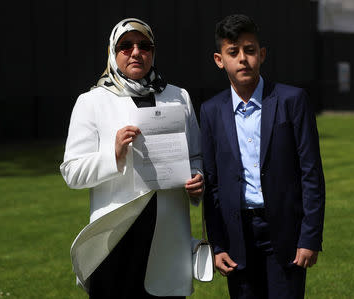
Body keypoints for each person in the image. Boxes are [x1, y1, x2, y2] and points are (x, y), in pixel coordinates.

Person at [60, 18, 203, 298]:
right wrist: (113, 155)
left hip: (168, 234)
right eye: (126, 46)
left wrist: (199, 178)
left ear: (153, 51)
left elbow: (196, 156)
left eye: (144, 45)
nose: (136, 52)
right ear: (113, 52)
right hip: (115, 236)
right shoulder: (92, 102)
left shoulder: (178, 97)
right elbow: (72, 172)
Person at [200, 14, 325, 299]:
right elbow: (213, 183)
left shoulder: (292, 100)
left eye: (250, 50)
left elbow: (311, 174)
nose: (243, 58)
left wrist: (310, 237)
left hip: (285, 231)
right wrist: (218, 245)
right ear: (220, 59)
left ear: (262, 54)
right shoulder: (210, 111)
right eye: (233, 52)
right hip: (237, 235)